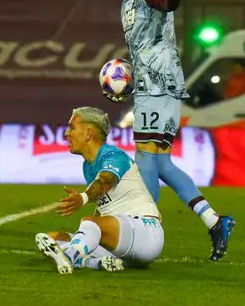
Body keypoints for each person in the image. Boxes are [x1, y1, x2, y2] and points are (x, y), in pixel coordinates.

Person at [105, 0, 235, 261]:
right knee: (161, 161)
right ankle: (215, 221)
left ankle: (142, 229)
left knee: (146, 157)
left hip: (160, 84)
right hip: (154, 83)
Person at [35, 106, 164, 274]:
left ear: (88, 133)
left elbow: (105, 181)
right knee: (55, 238)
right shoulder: (88, 166)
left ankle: (71, 257)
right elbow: (105, 208)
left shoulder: (113, 155)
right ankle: (96, 263)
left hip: (145, 233)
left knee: (89, 223)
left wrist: (82, 198)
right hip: (122, 240)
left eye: (72, 127)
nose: (67, 133)